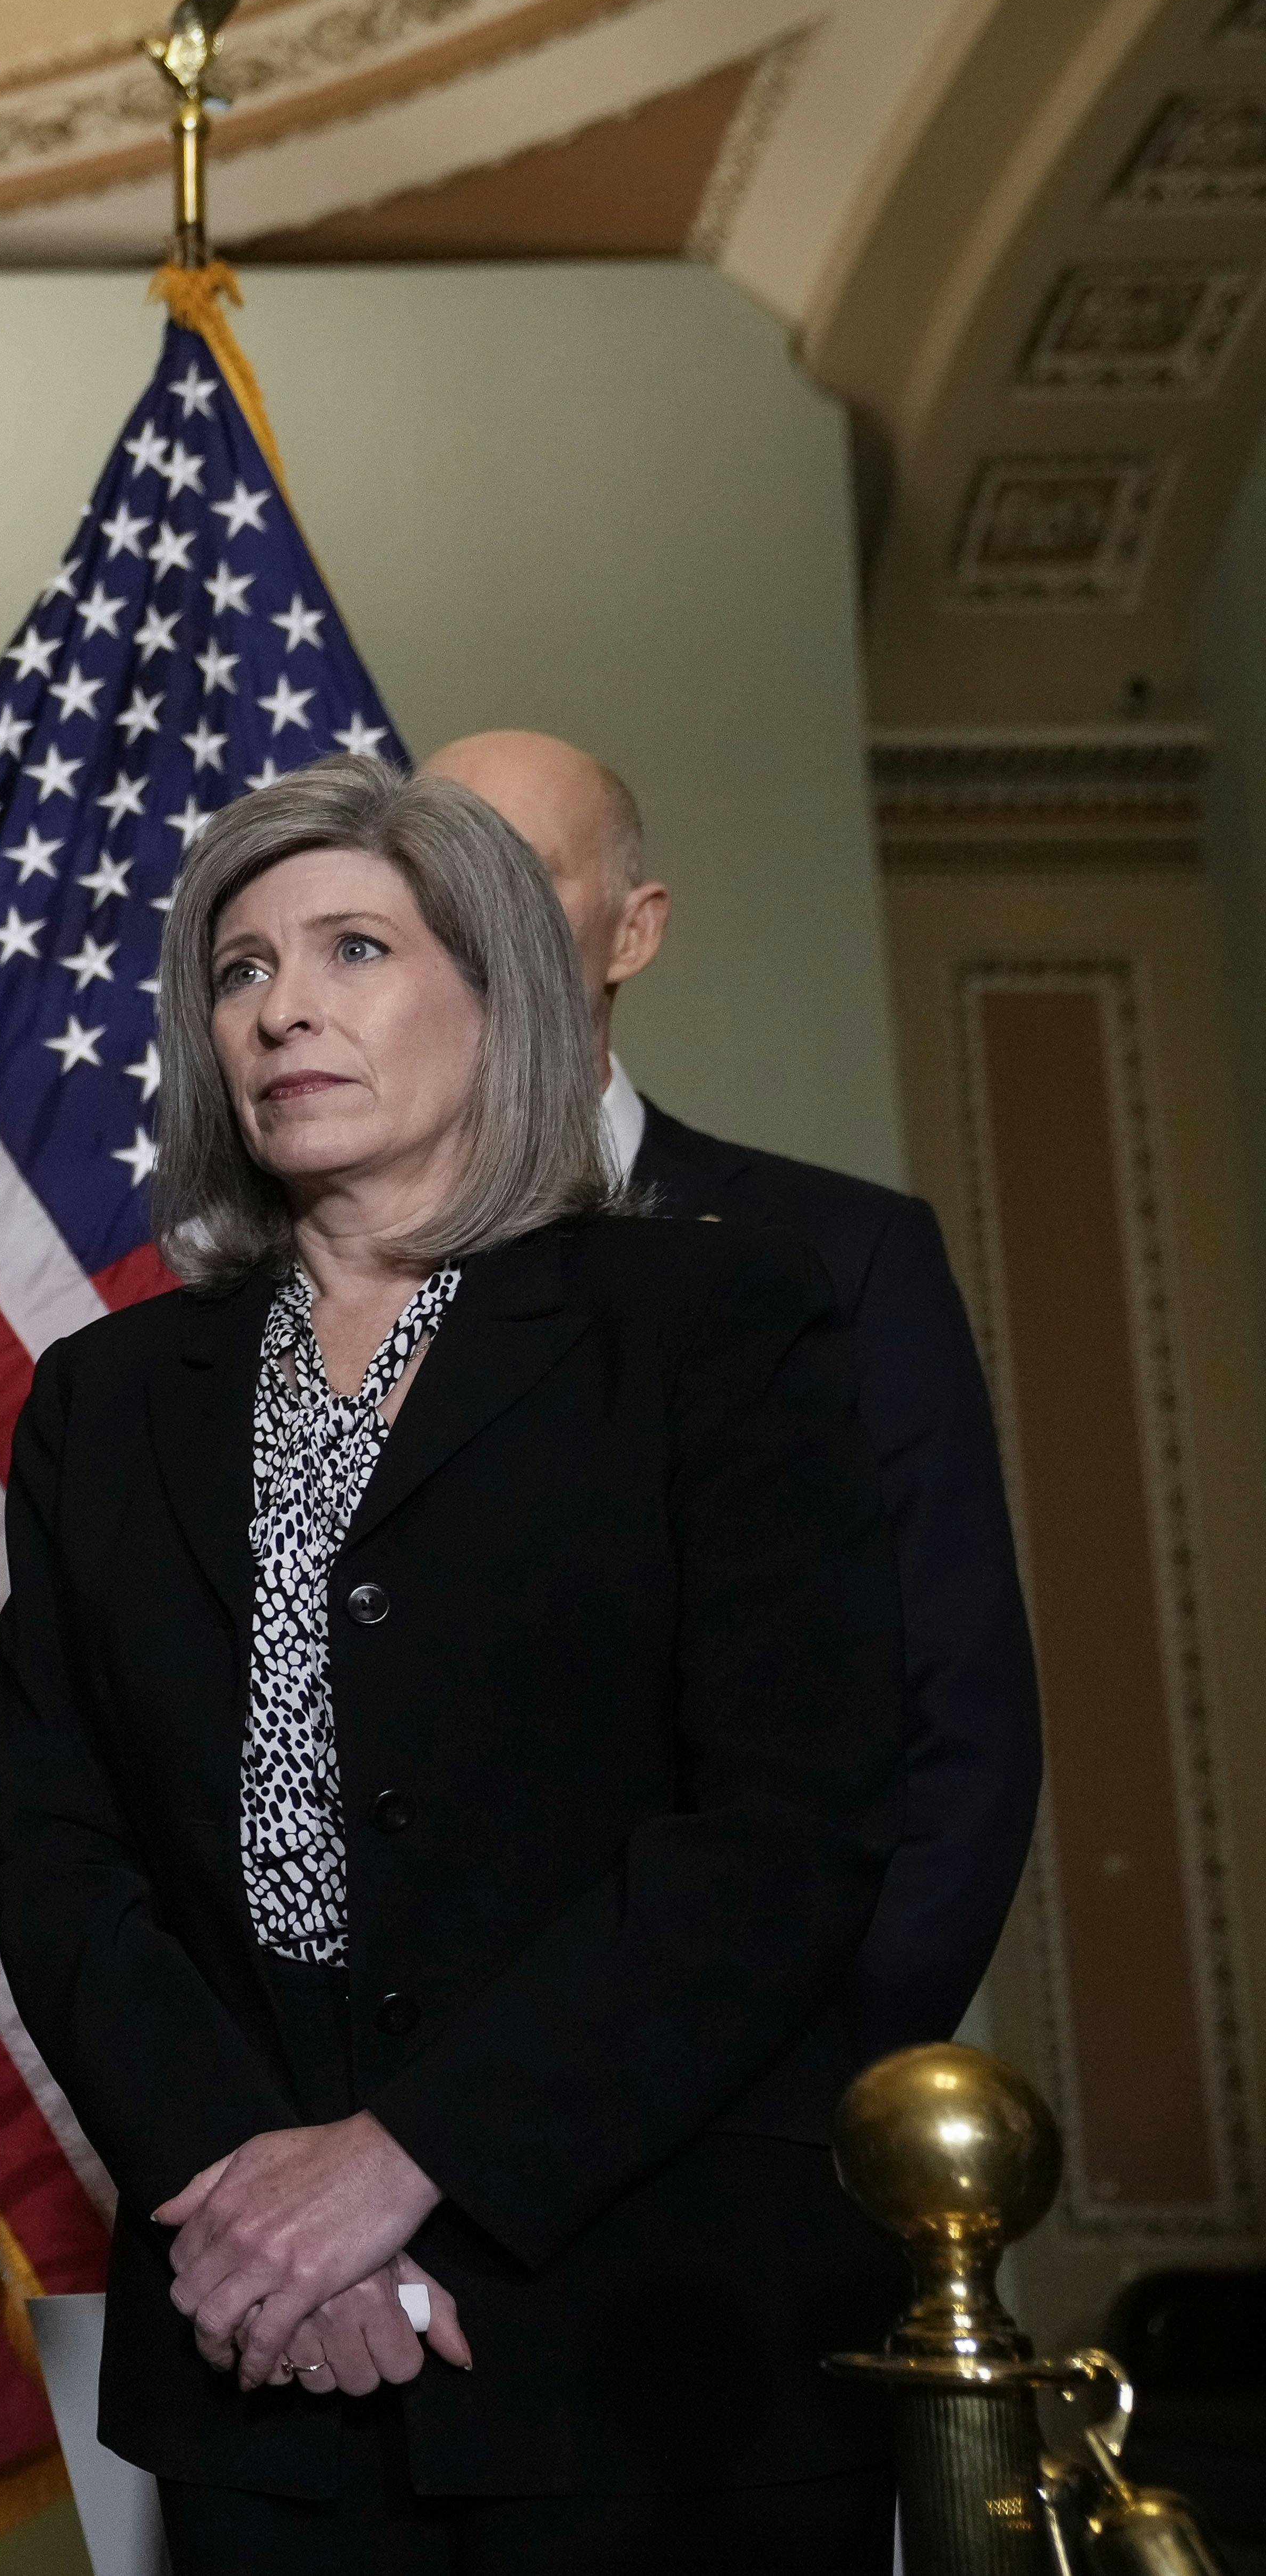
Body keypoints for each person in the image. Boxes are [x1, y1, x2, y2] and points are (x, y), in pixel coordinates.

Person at [0, 756, 905, 2569]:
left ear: (501, 994)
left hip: (639, 2317)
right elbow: (56, 1851)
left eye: (349, 947)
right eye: (237, 969)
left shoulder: (712, 1323)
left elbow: (787, 1823)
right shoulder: (107, 1396)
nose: (282, 1004)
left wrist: (406, 2159)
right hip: (256, 2336)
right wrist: (262, 2207)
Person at [422, 728, 1038, 2057]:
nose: (469, 919)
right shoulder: (312, 1289)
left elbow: (957, 1727)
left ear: (629, 932)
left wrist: (817, 2088)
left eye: (516, 874)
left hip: (760, 2130)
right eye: (429, 879)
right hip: (397, 2148)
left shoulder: (842, 1257)